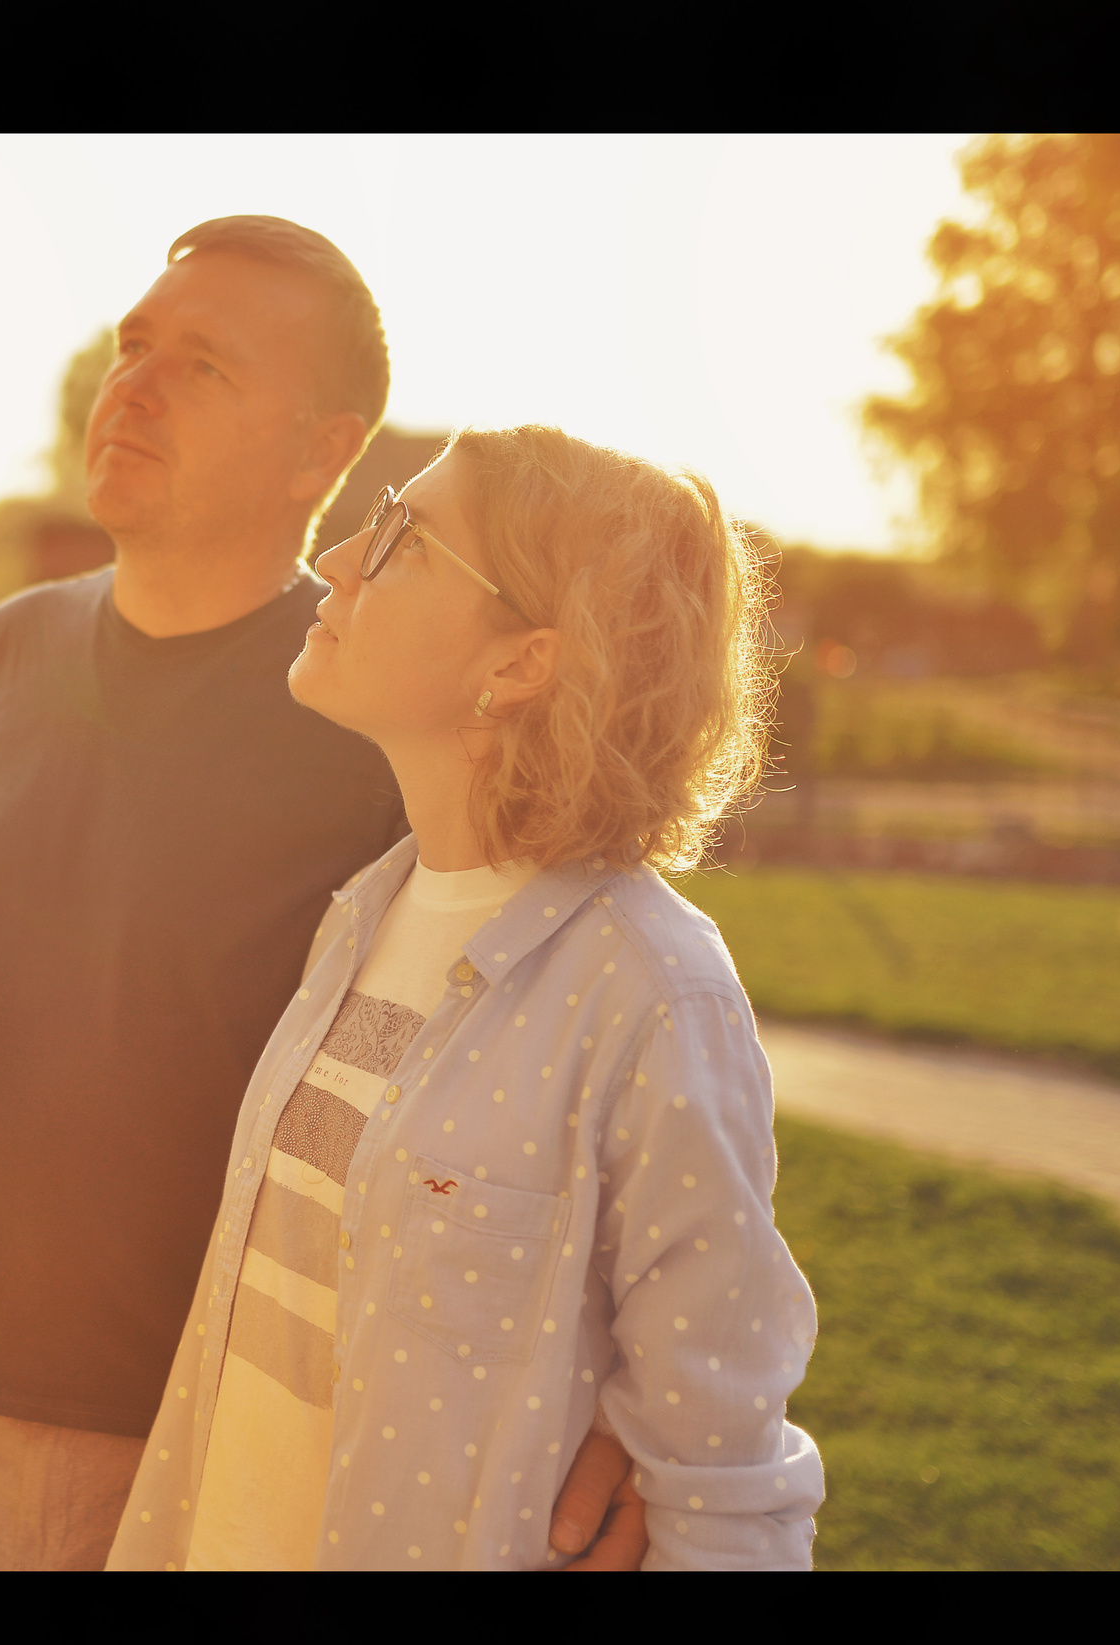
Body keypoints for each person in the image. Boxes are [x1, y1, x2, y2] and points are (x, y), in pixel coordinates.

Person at [0, 217, 644, 1570]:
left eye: (203, 366)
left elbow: (562, 1084)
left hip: (208, 1453)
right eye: (134, 344)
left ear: (325, 450)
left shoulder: (384, 709)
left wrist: (623, 1404)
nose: (131, 383)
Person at [108, 426, 826, 1571]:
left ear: (520, 662)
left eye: (399, 535)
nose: (338, 558)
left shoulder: (654, 997)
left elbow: (724, 1472)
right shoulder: (362, 915)